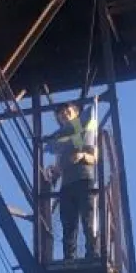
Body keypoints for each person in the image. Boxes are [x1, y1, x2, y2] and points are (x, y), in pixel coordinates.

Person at [45, 100, 99, 260]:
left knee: (88, 220)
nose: (65, 116)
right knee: (68, 224)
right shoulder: (62, 140)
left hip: (84, 179)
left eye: (68, 112)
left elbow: (94, 157)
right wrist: (54, 172)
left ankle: (92, 253)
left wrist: (82, 155)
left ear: (76, 113)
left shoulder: (83, 131)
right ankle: (69, 257)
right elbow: (59, 166)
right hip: (67, 185)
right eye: (61, 115)